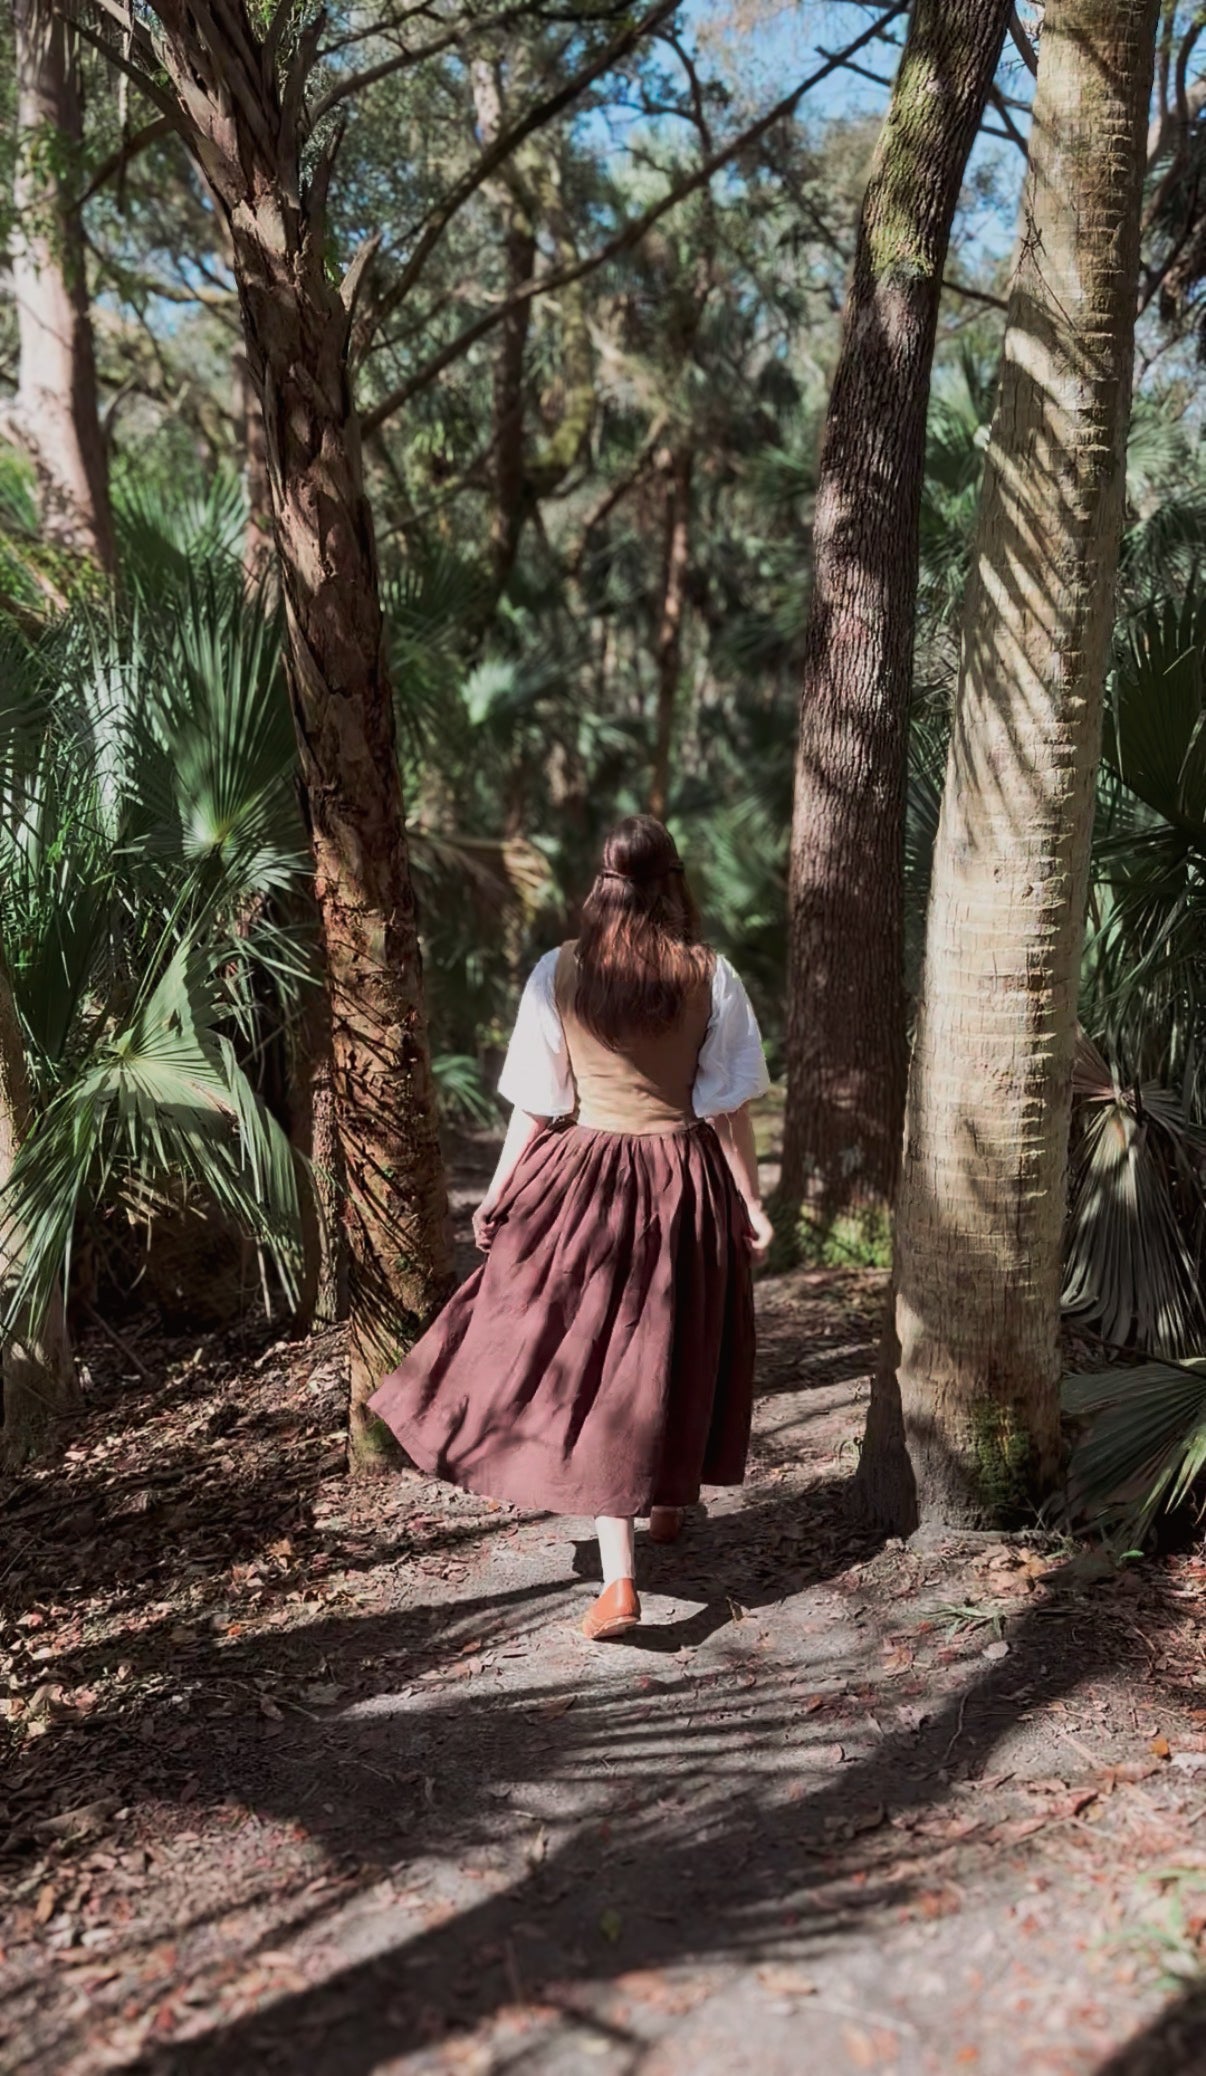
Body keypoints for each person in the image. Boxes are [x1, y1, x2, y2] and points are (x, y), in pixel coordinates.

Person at [368, 815, 773, 1641]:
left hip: (586, 1181)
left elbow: (535, 1102)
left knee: (601, 1365)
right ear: (673, 885)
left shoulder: (560, 970)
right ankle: (665, 1502)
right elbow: (727, 1109)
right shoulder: (711, 974)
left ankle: (621, 1580)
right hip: (682, 1177)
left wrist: (498, 1191)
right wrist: (751, 1200)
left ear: (601, 885)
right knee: (673, 1340)